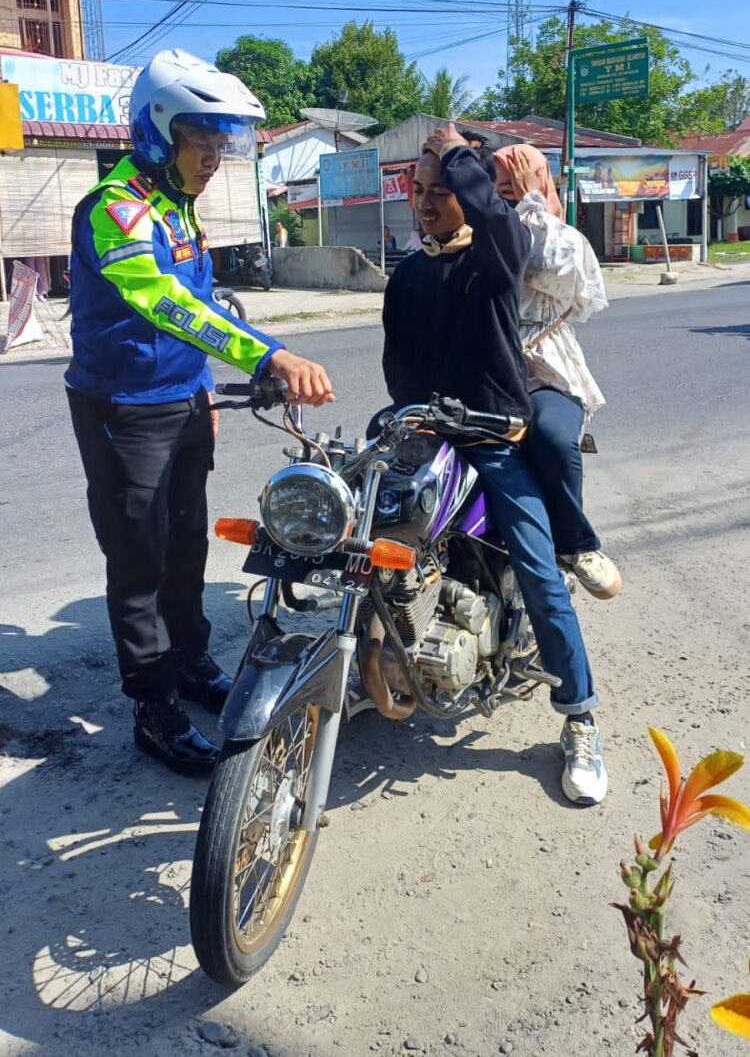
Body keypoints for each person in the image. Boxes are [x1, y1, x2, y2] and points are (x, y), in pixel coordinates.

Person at [65, 49, 334, 776]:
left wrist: (204, 395)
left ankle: (188, 662)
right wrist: (268, 355)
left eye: (223, 143)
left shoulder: (179, 209)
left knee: (186, 548)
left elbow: (204, 307)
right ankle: (153, 706)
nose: (214, 158)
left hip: (184, 401)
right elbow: (167, 303)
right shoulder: (114, 210)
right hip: (124, 409)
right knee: (139, 561)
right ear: (158, 132)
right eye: (202, 141)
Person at [381, 122, 607, 805]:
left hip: (493, 436)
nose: (426, 202)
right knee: (358, 532)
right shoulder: (409, 275)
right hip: (426, 431)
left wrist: (454, 149)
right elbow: (401, 368)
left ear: (472, 195)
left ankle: (581, 714)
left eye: (443, 190)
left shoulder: (498, 255)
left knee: (540, 572)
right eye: (418, 190)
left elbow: (496, 215)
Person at [488, 143, 621, 600]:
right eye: (499, 190)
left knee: (549, 435)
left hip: (543, 368)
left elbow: (540, 264)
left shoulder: (564, 239)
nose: (508, 198)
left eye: (517, 187)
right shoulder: (476, 230)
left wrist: (529, 203)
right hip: (483, 366)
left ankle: (577, 545)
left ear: (542, 185)